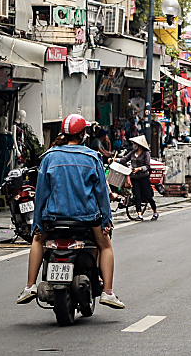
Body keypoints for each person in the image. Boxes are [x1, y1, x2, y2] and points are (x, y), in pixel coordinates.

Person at [17, 114, 124, 308]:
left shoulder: (49, 157)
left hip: (53, 217)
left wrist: (38, 222)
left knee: (38, 240)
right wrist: (107, 220)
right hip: (86, 218)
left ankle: (30, 285)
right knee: (105, 246)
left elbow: (41, 193)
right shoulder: (92, 157)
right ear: (83, 135)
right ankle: (108, 291)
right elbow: (102, 194)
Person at [128, 134, 158, 220]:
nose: (134, 145)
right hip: (134, 178)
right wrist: (114, 160)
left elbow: (148, 166)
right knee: (137, 196)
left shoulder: (146, 153)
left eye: (135, 143)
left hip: (144, 178)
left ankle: (155, 212)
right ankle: (139, 214)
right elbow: (124, 159)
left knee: (148, 196)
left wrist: (139, 169)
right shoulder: (132, 153)